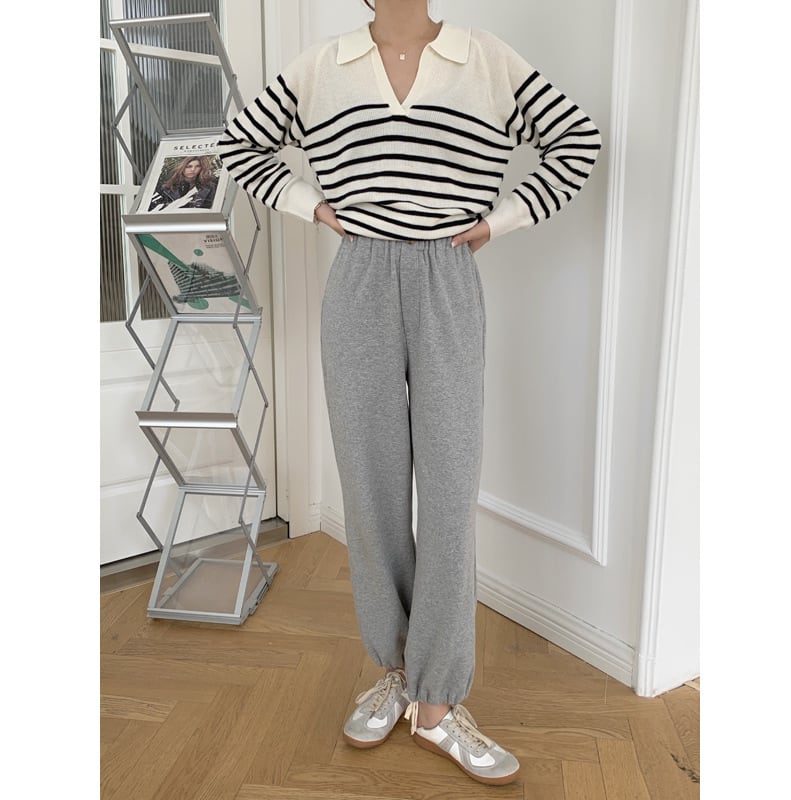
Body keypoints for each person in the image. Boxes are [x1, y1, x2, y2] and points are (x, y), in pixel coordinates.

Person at [217, 0, 601, 786]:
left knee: (451, 488)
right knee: (370, 487)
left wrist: (500, 221)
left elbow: (577, 142)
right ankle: (395, 668)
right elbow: (240, 145)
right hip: (358, 275)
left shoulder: (484, 58)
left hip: (446, 275)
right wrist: (313, 206)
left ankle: (437, 700)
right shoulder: (324, 66)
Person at [148, 155, 218, 211]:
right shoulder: (167, 188)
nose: (193, 169)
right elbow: (152, 207)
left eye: (197, 166)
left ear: (202, 168)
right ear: (183, 168)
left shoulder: (210, 187)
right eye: (189, 166)